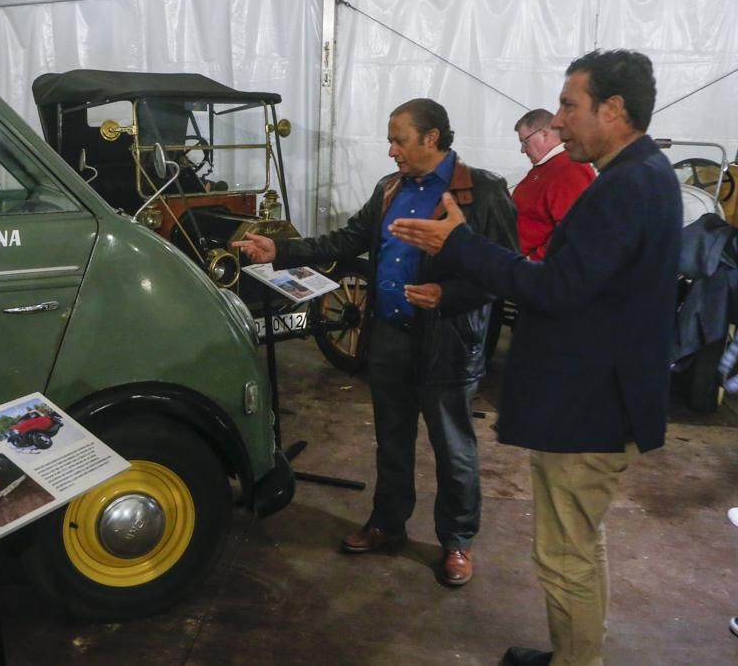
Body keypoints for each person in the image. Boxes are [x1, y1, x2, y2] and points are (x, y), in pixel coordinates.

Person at [387, 50, 681, 666]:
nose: (562, 122)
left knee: (566, 555)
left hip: (590, 409)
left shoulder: (627, 185)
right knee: (578, 544)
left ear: (614, 109)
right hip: (595, 399)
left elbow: (555, 287)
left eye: (571, 107)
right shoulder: (639, 176)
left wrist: (462, 245)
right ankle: (572, 654)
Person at [233, 98, 517, 586]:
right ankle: (388, 524)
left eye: (398, 139)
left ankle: (457, 542)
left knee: (454, 449)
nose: (390, 151)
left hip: (446, 344)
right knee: (391, 441)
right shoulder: (390, 189)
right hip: (389, 338)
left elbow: (506, 273)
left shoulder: (481, 192)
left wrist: (447, 294)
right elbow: (347, 240)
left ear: (431, 138)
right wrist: (280, 249)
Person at [513, 108, 596, 260]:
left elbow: (573, 232)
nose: (522, 150)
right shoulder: (546, 166)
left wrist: (532, 262)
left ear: (544, 134)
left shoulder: (570, 169)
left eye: (525, 142)